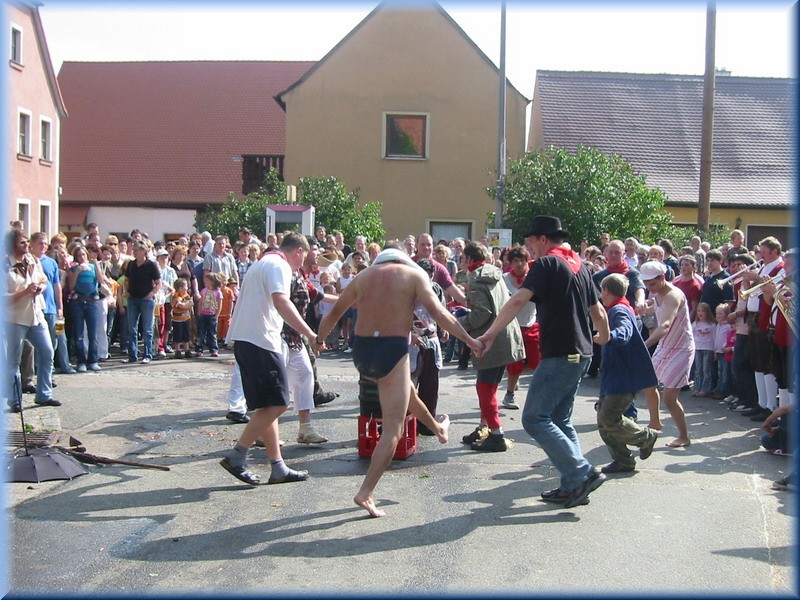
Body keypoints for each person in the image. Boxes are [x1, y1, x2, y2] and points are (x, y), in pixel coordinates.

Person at [316, 245, 483, 517]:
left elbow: (333, 314)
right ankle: (365, 492)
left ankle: (438, 429)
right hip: (391, 349)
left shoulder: (363, 277)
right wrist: (470, 340)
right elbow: (441, 315)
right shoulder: (413, 276)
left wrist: (319, 340)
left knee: (407, 393)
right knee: (393, 429)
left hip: (363, 352)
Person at [477, 216, 611, 509]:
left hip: (561, 353)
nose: (529, 247)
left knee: (534, 418)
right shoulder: (578, 265)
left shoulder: (547, 264)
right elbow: (598, 310)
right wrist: (604, 335)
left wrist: (489, 334)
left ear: (543, 239)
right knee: (560, 420)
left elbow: (517, 301)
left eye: (530, 241)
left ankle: (581, 472)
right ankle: (574, 485)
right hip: (582, 352)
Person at [219, 232, 323, 487]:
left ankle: (278, 467)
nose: (301, 265)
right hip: (261, 341)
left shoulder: (261, 263)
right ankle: (237, 455)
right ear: (298, 251)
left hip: (247, 340)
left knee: (268, 407)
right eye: (302, 259)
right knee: (278, 404)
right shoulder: (280, 265)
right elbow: (281, 301)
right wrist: (310, 334)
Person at [458, 242, 524, 451]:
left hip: (492, 339)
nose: (461, 262)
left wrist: (459, 323)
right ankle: (484, 427)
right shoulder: (494, 272)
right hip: (506, 334)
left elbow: (482, 313)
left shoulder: (475, 278)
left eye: (462, 258)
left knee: (484, 387)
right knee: (491, 386)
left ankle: (496, 434)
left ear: (469, 259)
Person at [595, 273, 659, 473]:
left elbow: (624, 331)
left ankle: (646, 437)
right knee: (604, 421)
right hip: (614, 375)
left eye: (602, 290)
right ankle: (623, 461)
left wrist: (609, 336)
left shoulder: (619, 310)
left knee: (609, 419)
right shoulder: (619, 307)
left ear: (606, 291)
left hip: (622, 376)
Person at [639, 261, 694, 448]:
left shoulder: (673, 295)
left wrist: (644, 345)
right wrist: (643, 308)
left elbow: (665, 325)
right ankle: (655, 422)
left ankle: (684, 437)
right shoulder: (657, 294)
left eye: (652, 284)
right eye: (646, 284)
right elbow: (655, 309)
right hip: (665, 346)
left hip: (681, 349)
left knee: (669, 398)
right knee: (648, 383)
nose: (649, 288)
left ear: (662, 278)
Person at [5, 229, 59, 409]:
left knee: (47, 351)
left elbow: (43, 280)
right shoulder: (5, 266)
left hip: (36, 315)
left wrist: (41, 288)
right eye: (22, 242)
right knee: (14, 360)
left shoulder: (32, 260)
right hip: (15, 319)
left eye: (27, 241)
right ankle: (14, 399)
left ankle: (44, 394)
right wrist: (25, 292)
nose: (27, 245)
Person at [501, 246, 540, 410]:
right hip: (513, 326)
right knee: (515, 364)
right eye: (515, 261)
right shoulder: (504, 279)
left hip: (531, 324)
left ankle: (515, 377)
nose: (519, 264)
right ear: (510, 263)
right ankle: (509, 394)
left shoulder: (534, 277)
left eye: (522, 260)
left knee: (536, 362)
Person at [124, 242, 161, 364]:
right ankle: (132, 355)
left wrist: (151, 294)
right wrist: (126, 291)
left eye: (136, 250)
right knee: (132, 328)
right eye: (133, 250)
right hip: (132, 299)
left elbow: (158, 283)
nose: (134, 252)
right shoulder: (131, 264)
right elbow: (126, 279)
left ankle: (147, 354)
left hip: (146, 300)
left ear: (143, 251)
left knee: (147, 329)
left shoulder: (151, 265)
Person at [691, 302, 716, 397]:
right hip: (697, 348)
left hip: (708, 348)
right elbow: (691, 337)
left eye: (703, 311)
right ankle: (697, 388)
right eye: (698, 311)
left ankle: (705, 389)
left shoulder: (712, 325)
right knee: (698, 369)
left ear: (707, 312)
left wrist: (715, 351)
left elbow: (715, 337)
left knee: (706, 369)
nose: (700, 313)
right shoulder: (695, 324)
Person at [197, 272, 223, 357]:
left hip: (212, 315)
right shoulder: (204, 291)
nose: (206, 281)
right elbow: (201, 302)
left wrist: (217, 315)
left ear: (212, 281)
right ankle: (199, 349)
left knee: (212, 333)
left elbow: (220, 304)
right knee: (201, 333)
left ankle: (214, 350)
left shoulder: (218, 292)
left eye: (207, 280)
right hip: (203, 314)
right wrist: (199, 312)